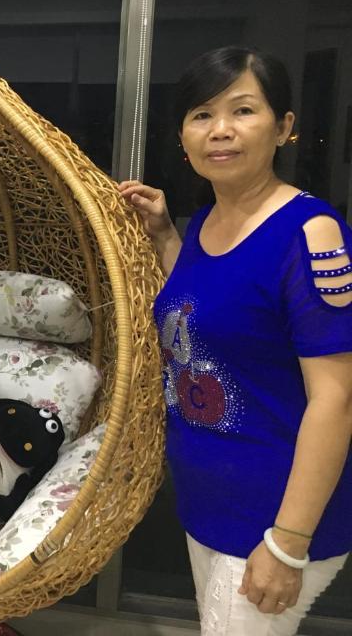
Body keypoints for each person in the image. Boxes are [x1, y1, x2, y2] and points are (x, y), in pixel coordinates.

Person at [119, 46, 351, 635]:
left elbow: (338, 398)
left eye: (243, 110)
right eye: (201, 115)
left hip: (272, 512)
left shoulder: (309, 233)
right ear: (183, 135)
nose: (220, 130)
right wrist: (167, 236)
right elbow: (208, 314)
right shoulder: (205, 225)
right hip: (207, 501)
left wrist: (289, 543)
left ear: (285, 128)